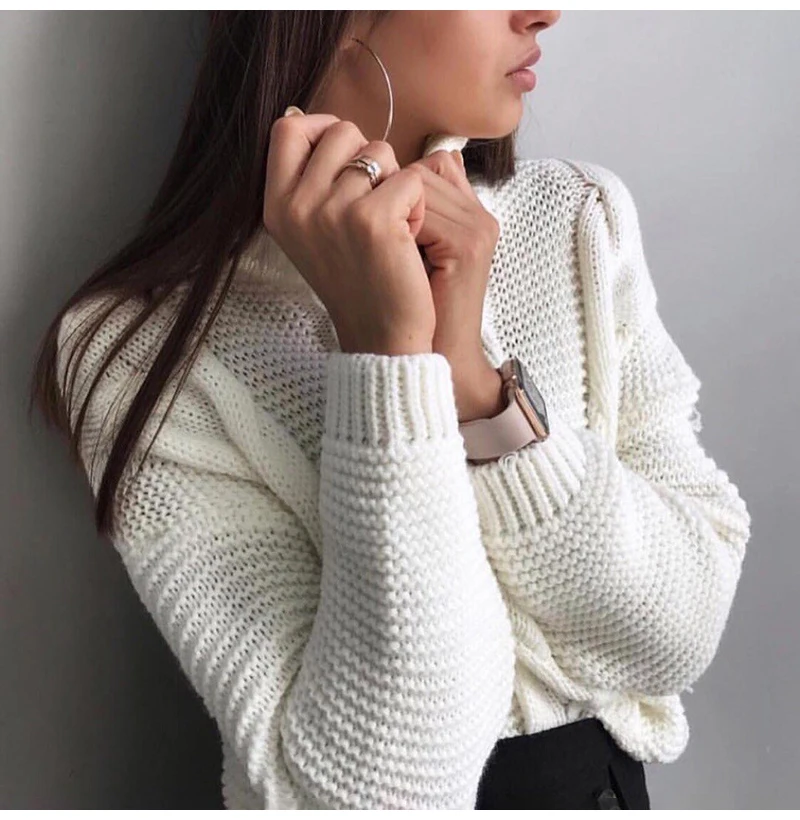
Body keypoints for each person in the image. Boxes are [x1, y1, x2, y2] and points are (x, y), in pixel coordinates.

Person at [30, 11, 752, 810]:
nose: (545, 10)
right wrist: (388, 359)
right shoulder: (136, 352)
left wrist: (474, 385)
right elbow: (374, 796)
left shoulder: (578, 220)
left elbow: (679, 634)